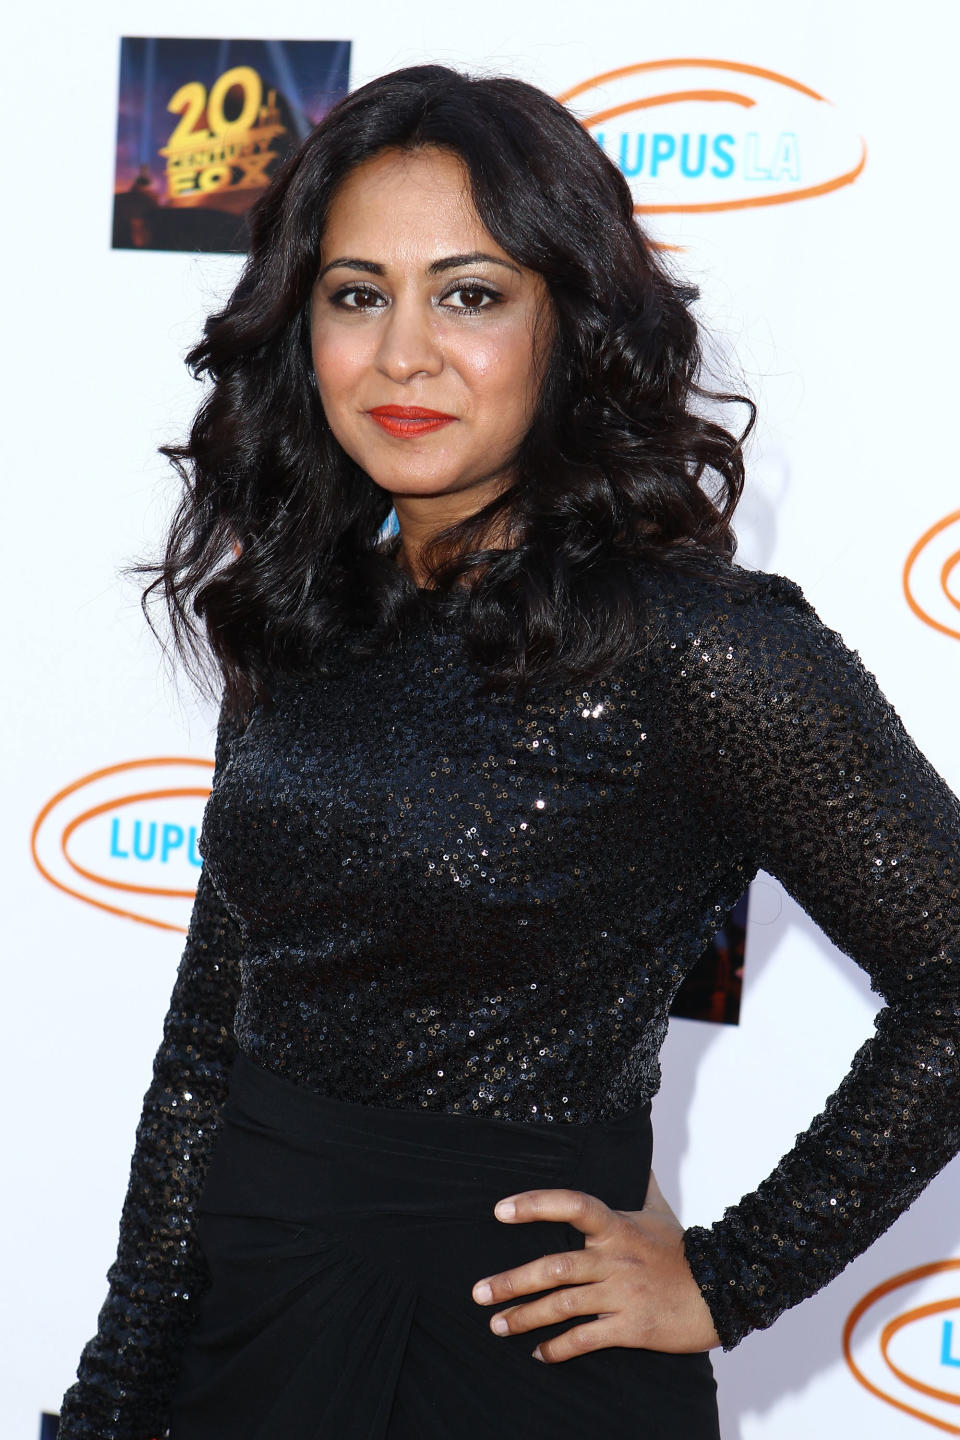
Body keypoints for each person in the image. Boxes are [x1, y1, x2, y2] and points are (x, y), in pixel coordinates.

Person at [58, 63, 960, 1440]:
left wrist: (734, 1273)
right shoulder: (306, 617)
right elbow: (205, 1047)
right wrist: (115, 1394)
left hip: (515, 1369)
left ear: (572, 325)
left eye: (469, 294)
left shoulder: (699, 646)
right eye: (358, 294)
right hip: (246, 1339)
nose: (404, 353)